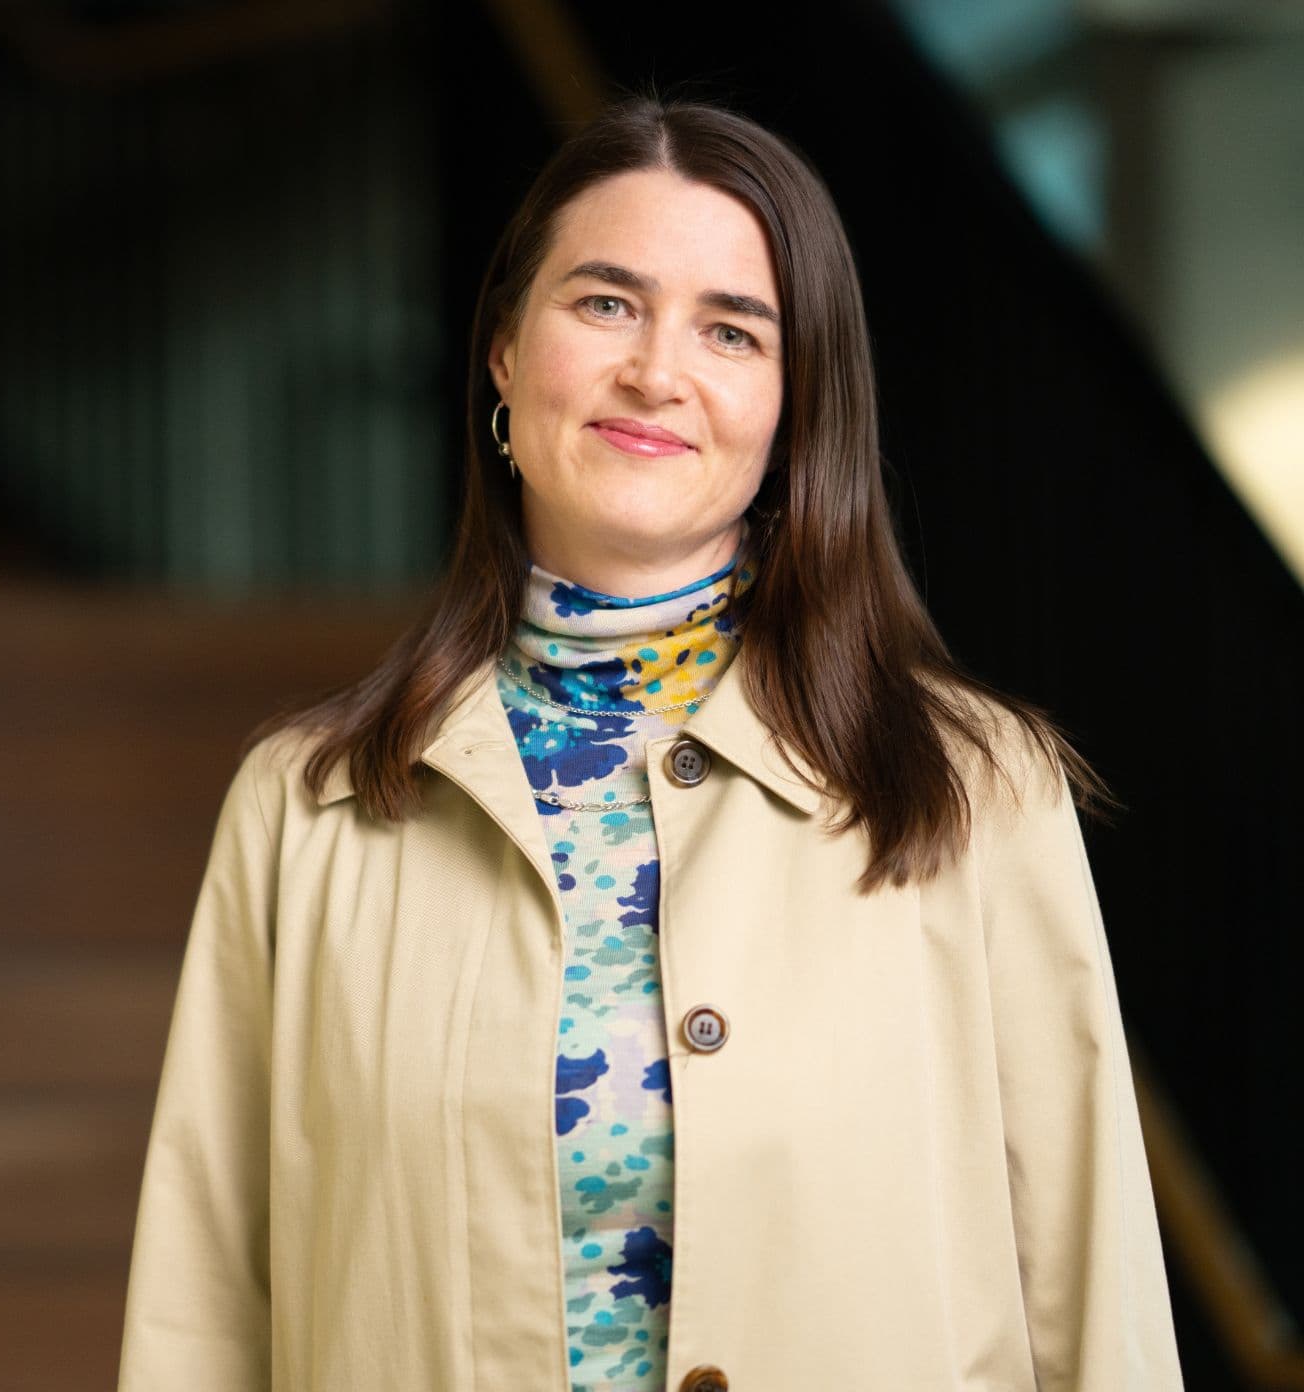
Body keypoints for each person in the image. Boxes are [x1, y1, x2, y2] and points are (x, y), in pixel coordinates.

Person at [116, 94, 1184, 1392]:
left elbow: (1095, 1298)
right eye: (605, 303)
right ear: (505, 351)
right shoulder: (309, 807)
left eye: (732, 330)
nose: (656, 372)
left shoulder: (975, 792)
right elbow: (202, 1312)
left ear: (797, 411)